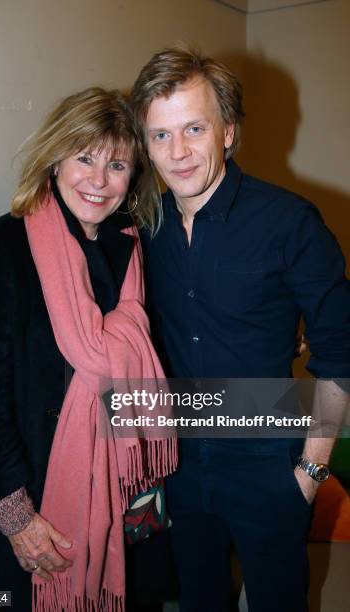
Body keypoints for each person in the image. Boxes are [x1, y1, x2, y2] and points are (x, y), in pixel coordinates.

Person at [130, 46, 350, 612]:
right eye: (160, 135)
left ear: (227, 131)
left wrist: (310, 469)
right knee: (199, 599)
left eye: (194, 128)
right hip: (178, 464)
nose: (177, 153)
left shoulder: (291, 222)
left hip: (269, 463)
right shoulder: (142, 228)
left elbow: (341, 351)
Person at [0, 87, 177, 611]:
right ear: (55, 159)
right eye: (85, 157)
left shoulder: (134, 251)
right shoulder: (6, 248)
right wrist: (15, 516)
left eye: (117, 164)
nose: (99, 180)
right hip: (41, 503)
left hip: (130, 488)